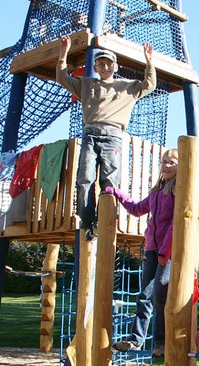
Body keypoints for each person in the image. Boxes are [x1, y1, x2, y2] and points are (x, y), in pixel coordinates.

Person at [56, 36, 156, 241]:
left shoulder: (127, 86)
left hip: (112, 136)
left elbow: (150, 84)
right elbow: (62, 78)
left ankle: (105, 218)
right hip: (90, 134)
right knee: (84, 178)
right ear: (95, 66)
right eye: (100, 64)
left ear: (115, 66)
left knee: (109, 181)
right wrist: (63, 54)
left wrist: (149, 62)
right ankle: (87, 222)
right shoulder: (86, 84)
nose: (105, 67)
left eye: (109, 64)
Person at [104, 148, 178, 357]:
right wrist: (117, 193)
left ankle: (162, 343)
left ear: (181, 166)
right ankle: (136, 339)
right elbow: (136, 209)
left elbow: (175, 223)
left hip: (168, 249)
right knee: (144, 295)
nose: (166, 165)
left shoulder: (177, 190)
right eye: (164, 161)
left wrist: (166, 250)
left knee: (160, 294)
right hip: (152, 249)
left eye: (172, 162)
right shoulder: (156, 192)